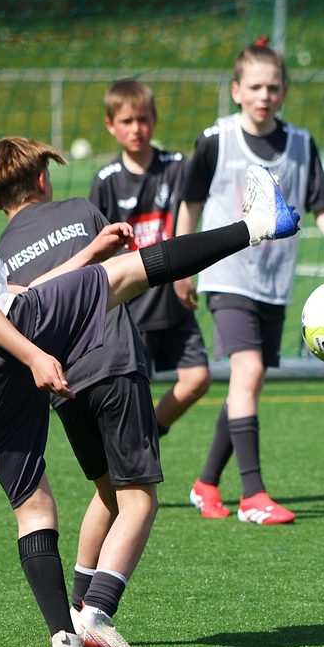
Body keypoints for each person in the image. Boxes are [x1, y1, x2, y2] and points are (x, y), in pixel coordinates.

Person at [0, 121, 299, 647]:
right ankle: (259, 224)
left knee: (34, 511)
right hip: (2, 350)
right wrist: (35, 355)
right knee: (128, 274)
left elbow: (21, 294)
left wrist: (86, 254)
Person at [176, 40, 324, 525]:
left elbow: (323, 207)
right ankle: (253, 496)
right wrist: (180, 266)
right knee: (250, 371)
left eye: (273, 87)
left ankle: (205, 483)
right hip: (226, 275)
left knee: (248, 381)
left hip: (274, 281)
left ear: (284, 92)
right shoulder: (216, 140)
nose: (264, 95)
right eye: (255, 87)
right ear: (236, 91)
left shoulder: (300, 143)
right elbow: (190, 204)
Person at [0, 135, 158, 647]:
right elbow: (123, 275)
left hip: (62, 383)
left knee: (108, 492)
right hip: (115, 362)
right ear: (43, 178)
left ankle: (78, 605)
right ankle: (98, 614)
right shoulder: (83, 211)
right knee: (139, 498)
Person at [90, 80, 210, 439]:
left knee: (198, 379)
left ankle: (151, 433)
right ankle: (135, 447)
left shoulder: (177, 166)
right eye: (126, 121)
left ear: (154, 121)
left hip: (173, 301)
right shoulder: (106, 180)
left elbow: (194, 208)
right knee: (134, 395)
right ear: (111, 125)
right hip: (132, 307)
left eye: (143, 119)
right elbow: (97, 244)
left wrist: (185, 271)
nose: (136, 129)